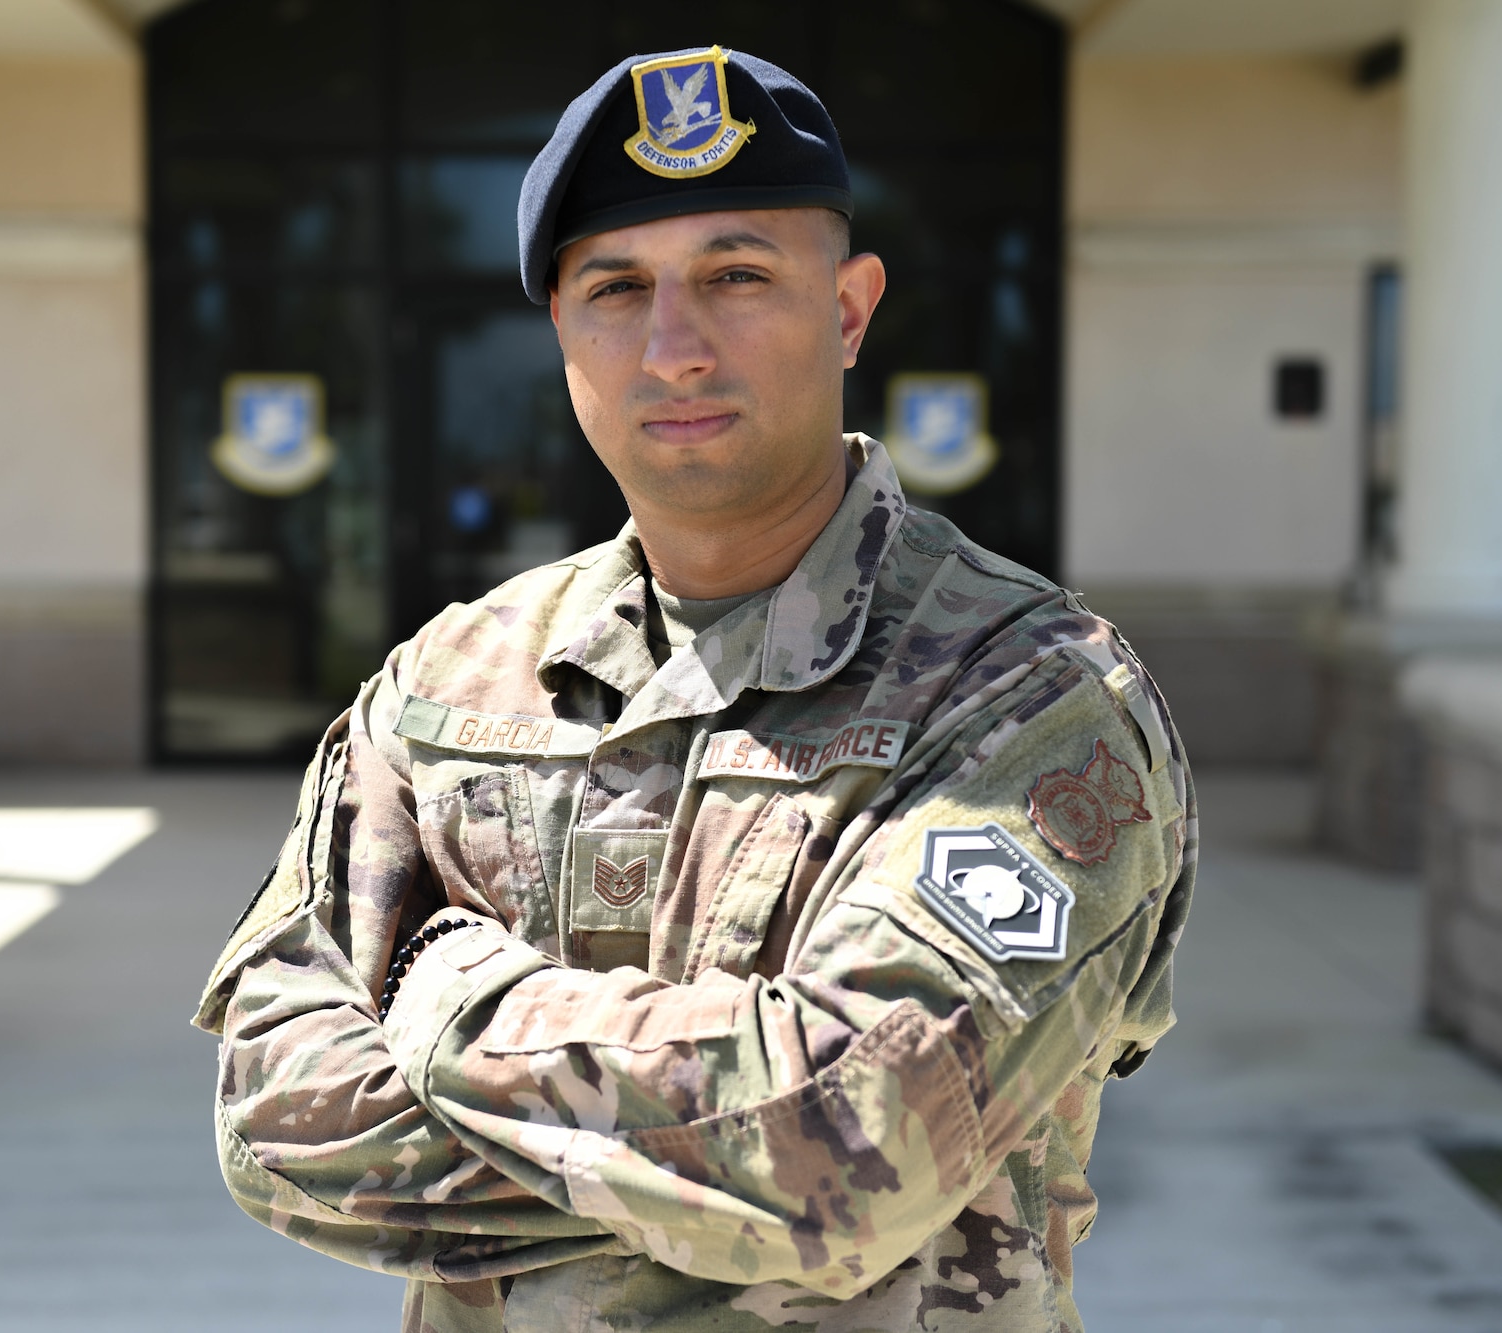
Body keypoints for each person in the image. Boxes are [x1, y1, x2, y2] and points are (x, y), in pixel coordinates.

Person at [193, 45, 1194, 1333]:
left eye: (735, 276)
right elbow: (276, 1123)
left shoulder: (1030, 699)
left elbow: (850, 1151)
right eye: (616, 287)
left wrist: (440, 989)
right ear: (561, 328)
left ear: (848, 308)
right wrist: (715, 1159)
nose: (673, 347)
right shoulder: (447, 682)